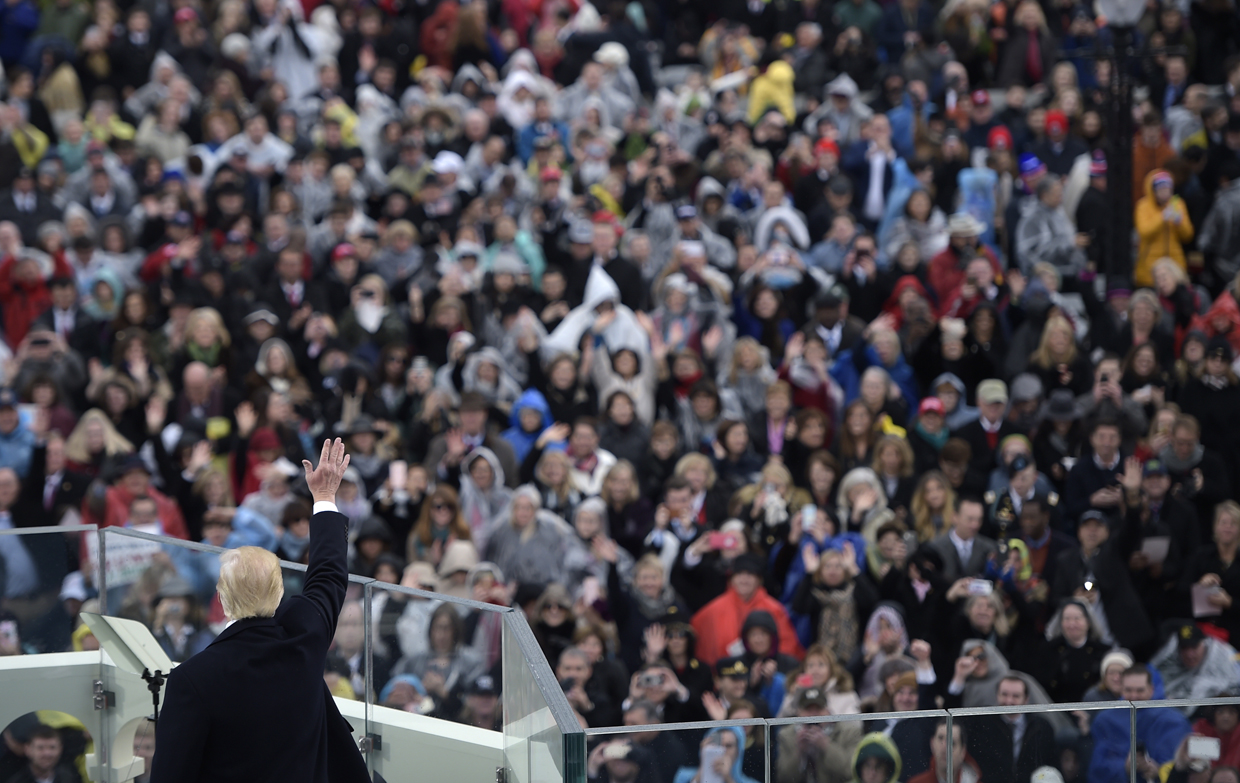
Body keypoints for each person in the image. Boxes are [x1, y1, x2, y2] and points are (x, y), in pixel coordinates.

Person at [149, 439, 369, 783]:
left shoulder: (192, 680)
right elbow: (328, 574)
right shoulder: (305, 637)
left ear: (222, 598)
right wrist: (324, 497)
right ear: (279, 593)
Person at [1089, 667, 1191, 783]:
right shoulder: (1105, 720)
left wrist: (1159, 771)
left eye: (1140, 690)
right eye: (1128, 690)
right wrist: (1125, 768)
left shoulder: (1174, 721)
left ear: (1151, 689)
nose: (1134, 696)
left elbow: (1184, 764)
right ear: (1121, 689)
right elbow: (1098, 766)